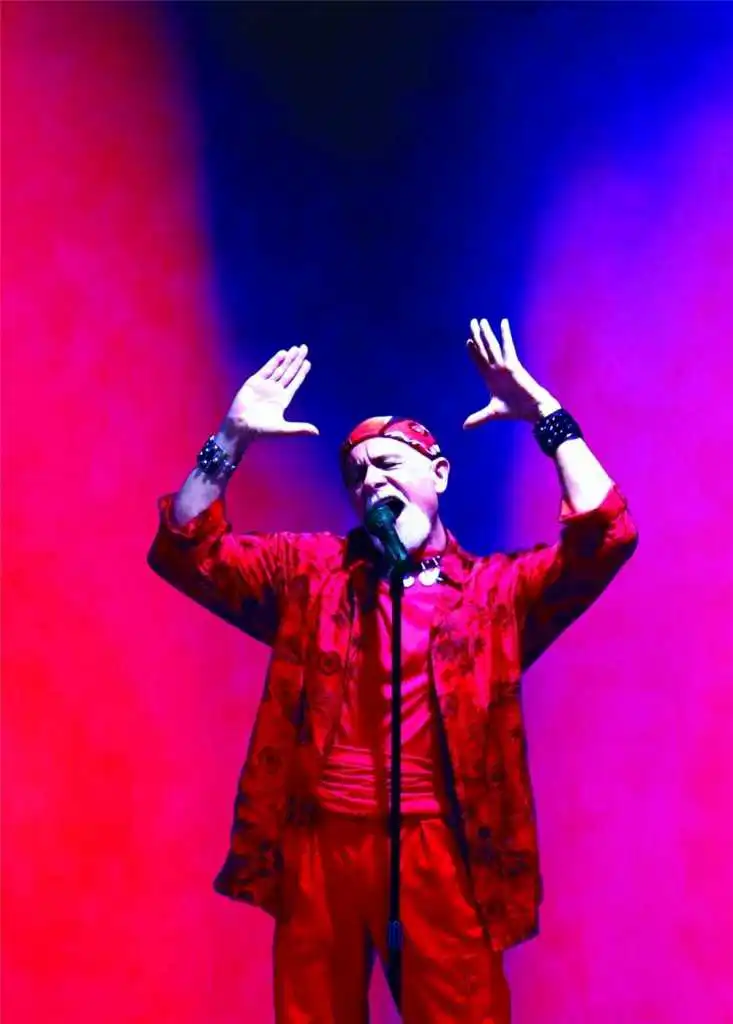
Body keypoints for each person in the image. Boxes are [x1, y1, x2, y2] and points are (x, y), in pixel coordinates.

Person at [148, 318, 638, 1023]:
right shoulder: (312, 574)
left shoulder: (494, 595)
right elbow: (187, 548)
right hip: (321, 844)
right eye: (356, 474)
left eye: (387, 464)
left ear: (439, 473)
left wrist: (545, 413)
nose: (370, 481)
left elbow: (606, 534)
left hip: (440, 848)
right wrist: (230, 438)